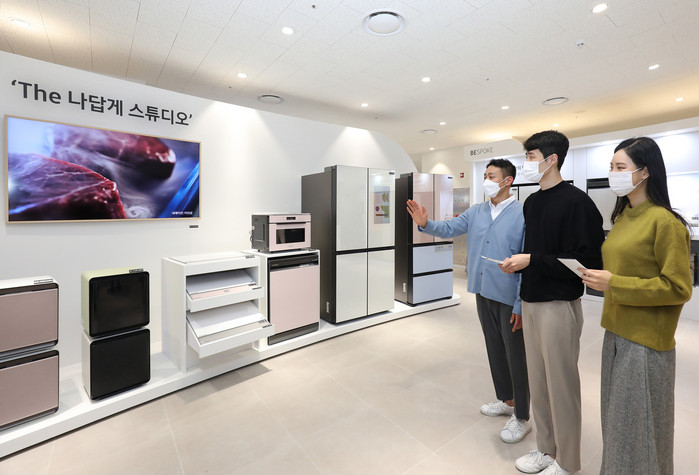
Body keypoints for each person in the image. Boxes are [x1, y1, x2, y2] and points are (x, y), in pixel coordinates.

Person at [581, 137, 692, 475]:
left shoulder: (665, 223)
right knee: (618, 428)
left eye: (620, 167)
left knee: (638, 433)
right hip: (615, 333)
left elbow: (678, 287)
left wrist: (614, 283)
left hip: (645, 342)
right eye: (611, 167)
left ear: (645, 172)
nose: (612, 173)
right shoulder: (624, 216)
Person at [500, 130, 604, 475]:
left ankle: (568, 462)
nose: (526, 163)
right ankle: (546, 449)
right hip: (531, 301)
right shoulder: (532, 202)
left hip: (559, 305)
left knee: (561, 387)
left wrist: (532, 260)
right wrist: (521, 266)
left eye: (530, 157)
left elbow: (586, 263)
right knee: (539, 383)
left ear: (551, 159)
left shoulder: (577, 203)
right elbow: (535, 252)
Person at [406, 159, 531, 443]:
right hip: (482, 291)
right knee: (494, 348)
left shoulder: (523, 213)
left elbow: (527, 260)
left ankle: (522, 416)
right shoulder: (476, 211)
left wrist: (520, 304)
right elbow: (450, 228)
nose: (486, 180)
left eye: (491, 176)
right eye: (485, 175)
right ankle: (507, 400)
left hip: (508, 295)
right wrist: (425, 224)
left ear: (508, 181)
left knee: (516, 355)